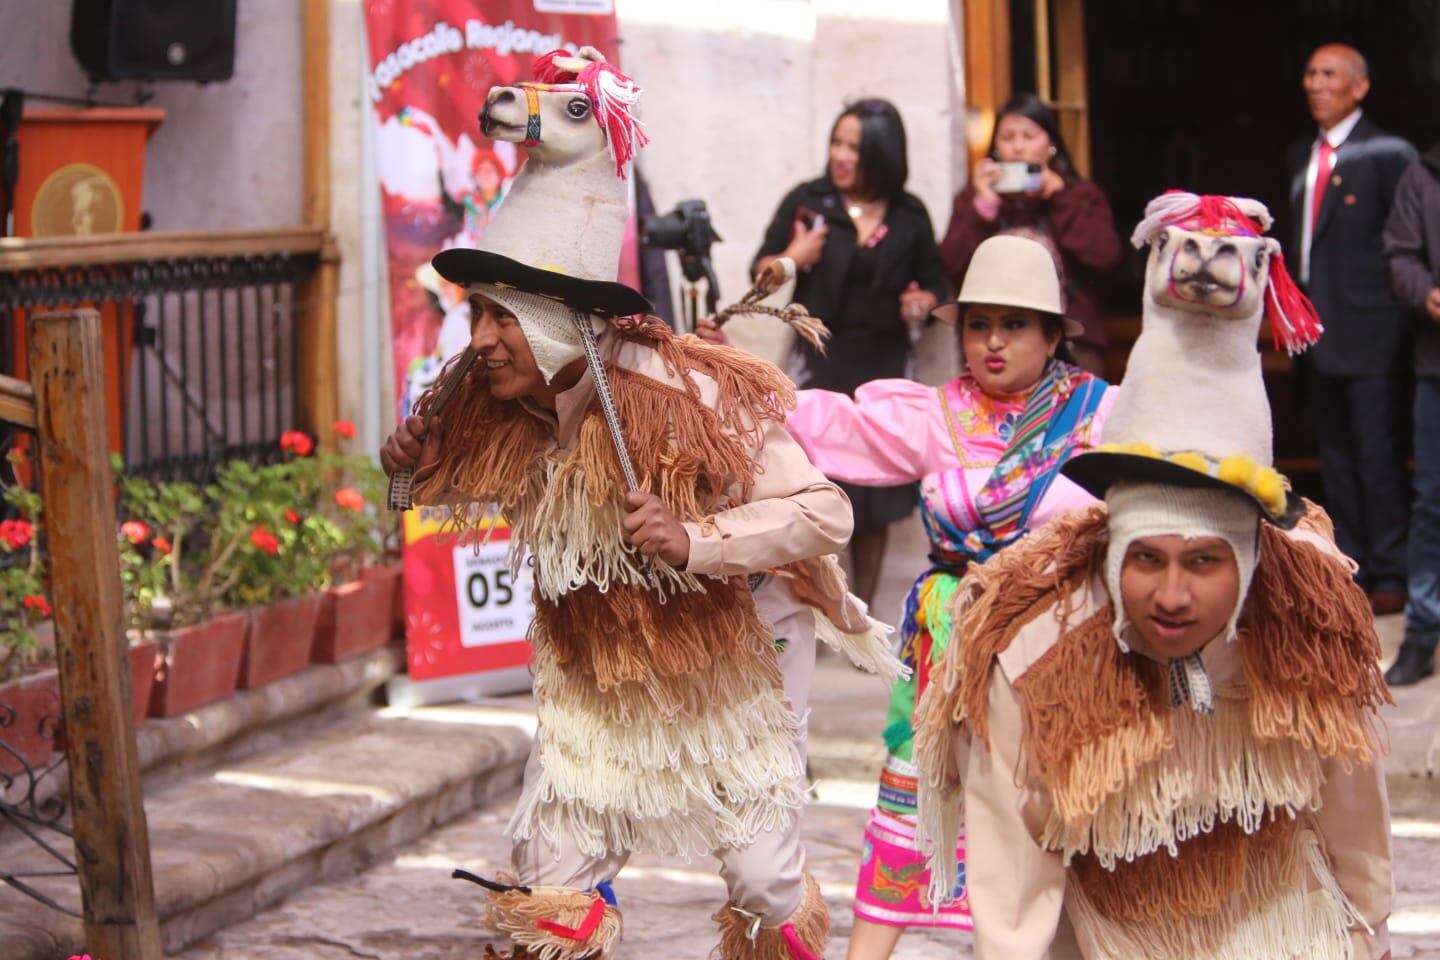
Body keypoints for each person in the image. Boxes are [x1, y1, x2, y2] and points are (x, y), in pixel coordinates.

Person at [380, 48, 899, 960]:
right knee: (548, 886)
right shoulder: (484, 398)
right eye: (478, 315)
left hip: (733, 647)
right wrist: (403, 470)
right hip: (597, 661)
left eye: (506, 317)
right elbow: (415, 494)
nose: (485, 339)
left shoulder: (685, 393)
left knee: (763, 884)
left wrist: (691, 538)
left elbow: (828, 514)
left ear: (567, 319)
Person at [913, 193, 1393, 959]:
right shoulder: (1036, 652)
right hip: (1113, 931)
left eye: (1205, 562)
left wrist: (1367, 936)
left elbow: (1354, 825)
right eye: (1146, 559)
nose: (1172, 596)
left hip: (1274, 920)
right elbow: (1012, 871)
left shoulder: (1309, 644)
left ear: (1251, 561)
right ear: (1111, 559)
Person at [778, 234, 1115, 960]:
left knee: (1061, 817)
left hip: (1060, 647)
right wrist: (724, 382)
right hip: (952, 646)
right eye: (978, 324)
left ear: (1054, 335)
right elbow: (829, 424)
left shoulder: (1101, 417)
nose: (993, 343)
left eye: (1015, 325)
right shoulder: (935, 414)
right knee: (916, 798)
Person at [753, 98, 948, 613]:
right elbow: (761, 272)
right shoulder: (808, 202)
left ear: (883, 154)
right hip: (818, 362)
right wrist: (793, 260)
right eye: (837, 142)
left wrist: (922, 302)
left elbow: (934, 284)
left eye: (854, 148)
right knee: (806, 481)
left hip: (881, 365)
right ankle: (808, 607)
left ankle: (856, 612)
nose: (840, 155)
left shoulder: (910, 214)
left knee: (873, 496)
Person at [1286, 43, 1417, 616]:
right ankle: (1351, 562)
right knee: (1335, 453)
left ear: (1360, 86)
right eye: (1310, 73)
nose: (1316, 83)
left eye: (1329, 74)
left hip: (1373, 329)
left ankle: (1390, 570)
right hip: (1316, 332)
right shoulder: (1300, 155)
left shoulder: (1387, 153)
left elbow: (1409, 241)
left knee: (1378, 452)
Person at [938, 93, 1123, 376]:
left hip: (1072, 345)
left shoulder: (1079, 195)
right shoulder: (973, 199)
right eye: (1007, 137)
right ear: (995, 147)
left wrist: (1061, 199)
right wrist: (983, 206)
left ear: (1050, 144)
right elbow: (950, 264)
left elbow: (1105, 255)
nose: (1018, 146)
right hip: (993, 348)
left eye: (1029, 135)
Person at [1382, 142, 1440, 686]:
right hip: (1436, 366)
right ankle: (1423, 632)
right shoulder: (1422, 173)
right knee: (1432, 502)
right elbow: (1399, 253)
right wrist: (1426, 294)